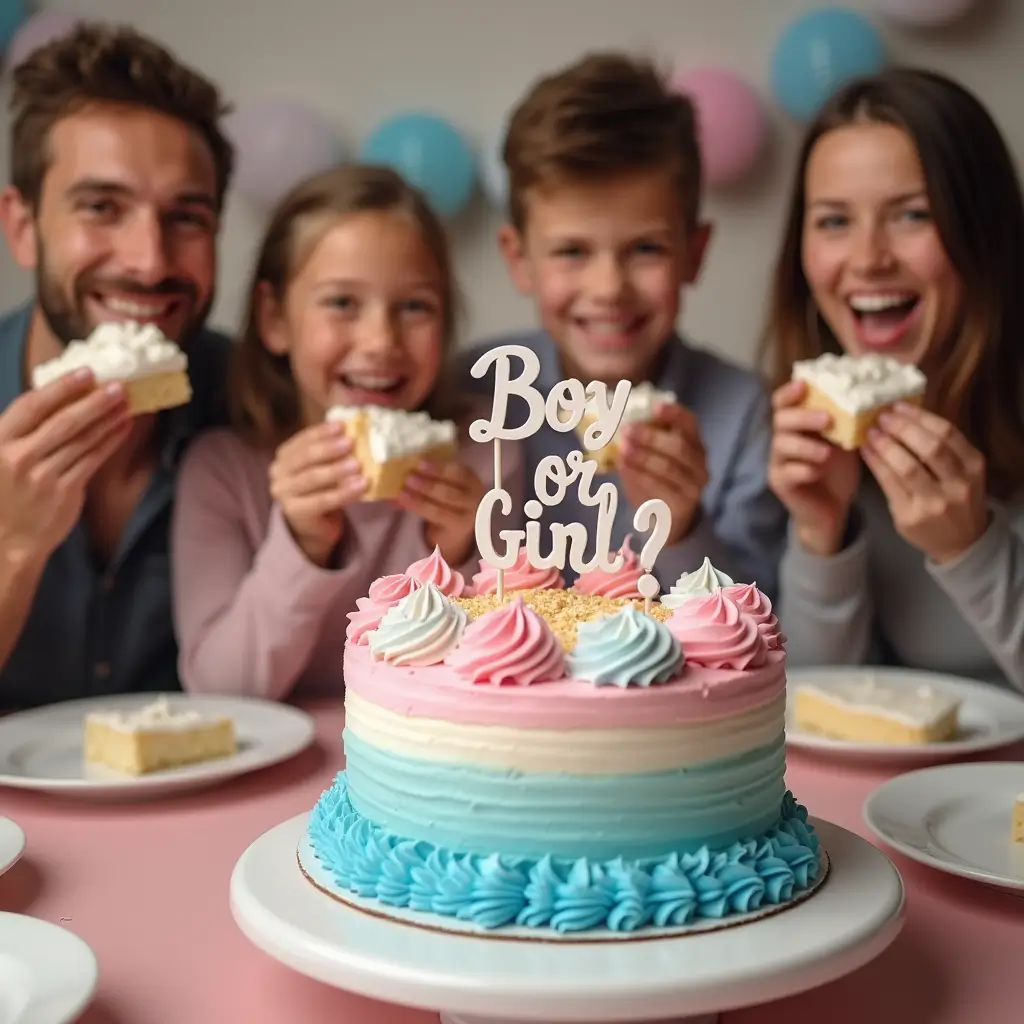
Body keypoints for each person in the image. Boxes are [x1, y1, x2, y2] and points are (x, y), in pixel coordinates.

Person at [171, 164, 521, 700]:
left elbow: (509, 682)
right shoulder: (221, 471)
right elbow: (221, 693)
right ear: (275, 318)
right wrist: (302, 545)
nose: (381, 341)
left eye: (414, 307)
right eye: (341, 303)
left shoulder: (484, 451)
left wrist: (457, 557)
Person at [460, 53, 785, 598]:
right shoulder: (476, 393)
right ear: (518, 259)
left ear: (694, 253)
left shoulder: (742, 411)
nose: (609, 288)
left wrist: (682, 527)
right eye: (571, 251)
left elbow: (759, 633)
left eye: (645, 248)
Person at [764, 67, 1024, 691]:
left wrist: (974, 549)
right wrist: (823, 535)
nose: (868, 258)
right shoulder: (807, 435)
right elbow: (821, 710)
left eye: (911, 215)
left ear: (983, 232)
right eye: (833, 221)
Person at [0, 24, 234, 711]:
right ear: (22, 226)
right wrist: (12, 549)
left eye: (186, 217)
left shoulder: (257, 404)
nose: (149, 260)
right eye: (101, 207)